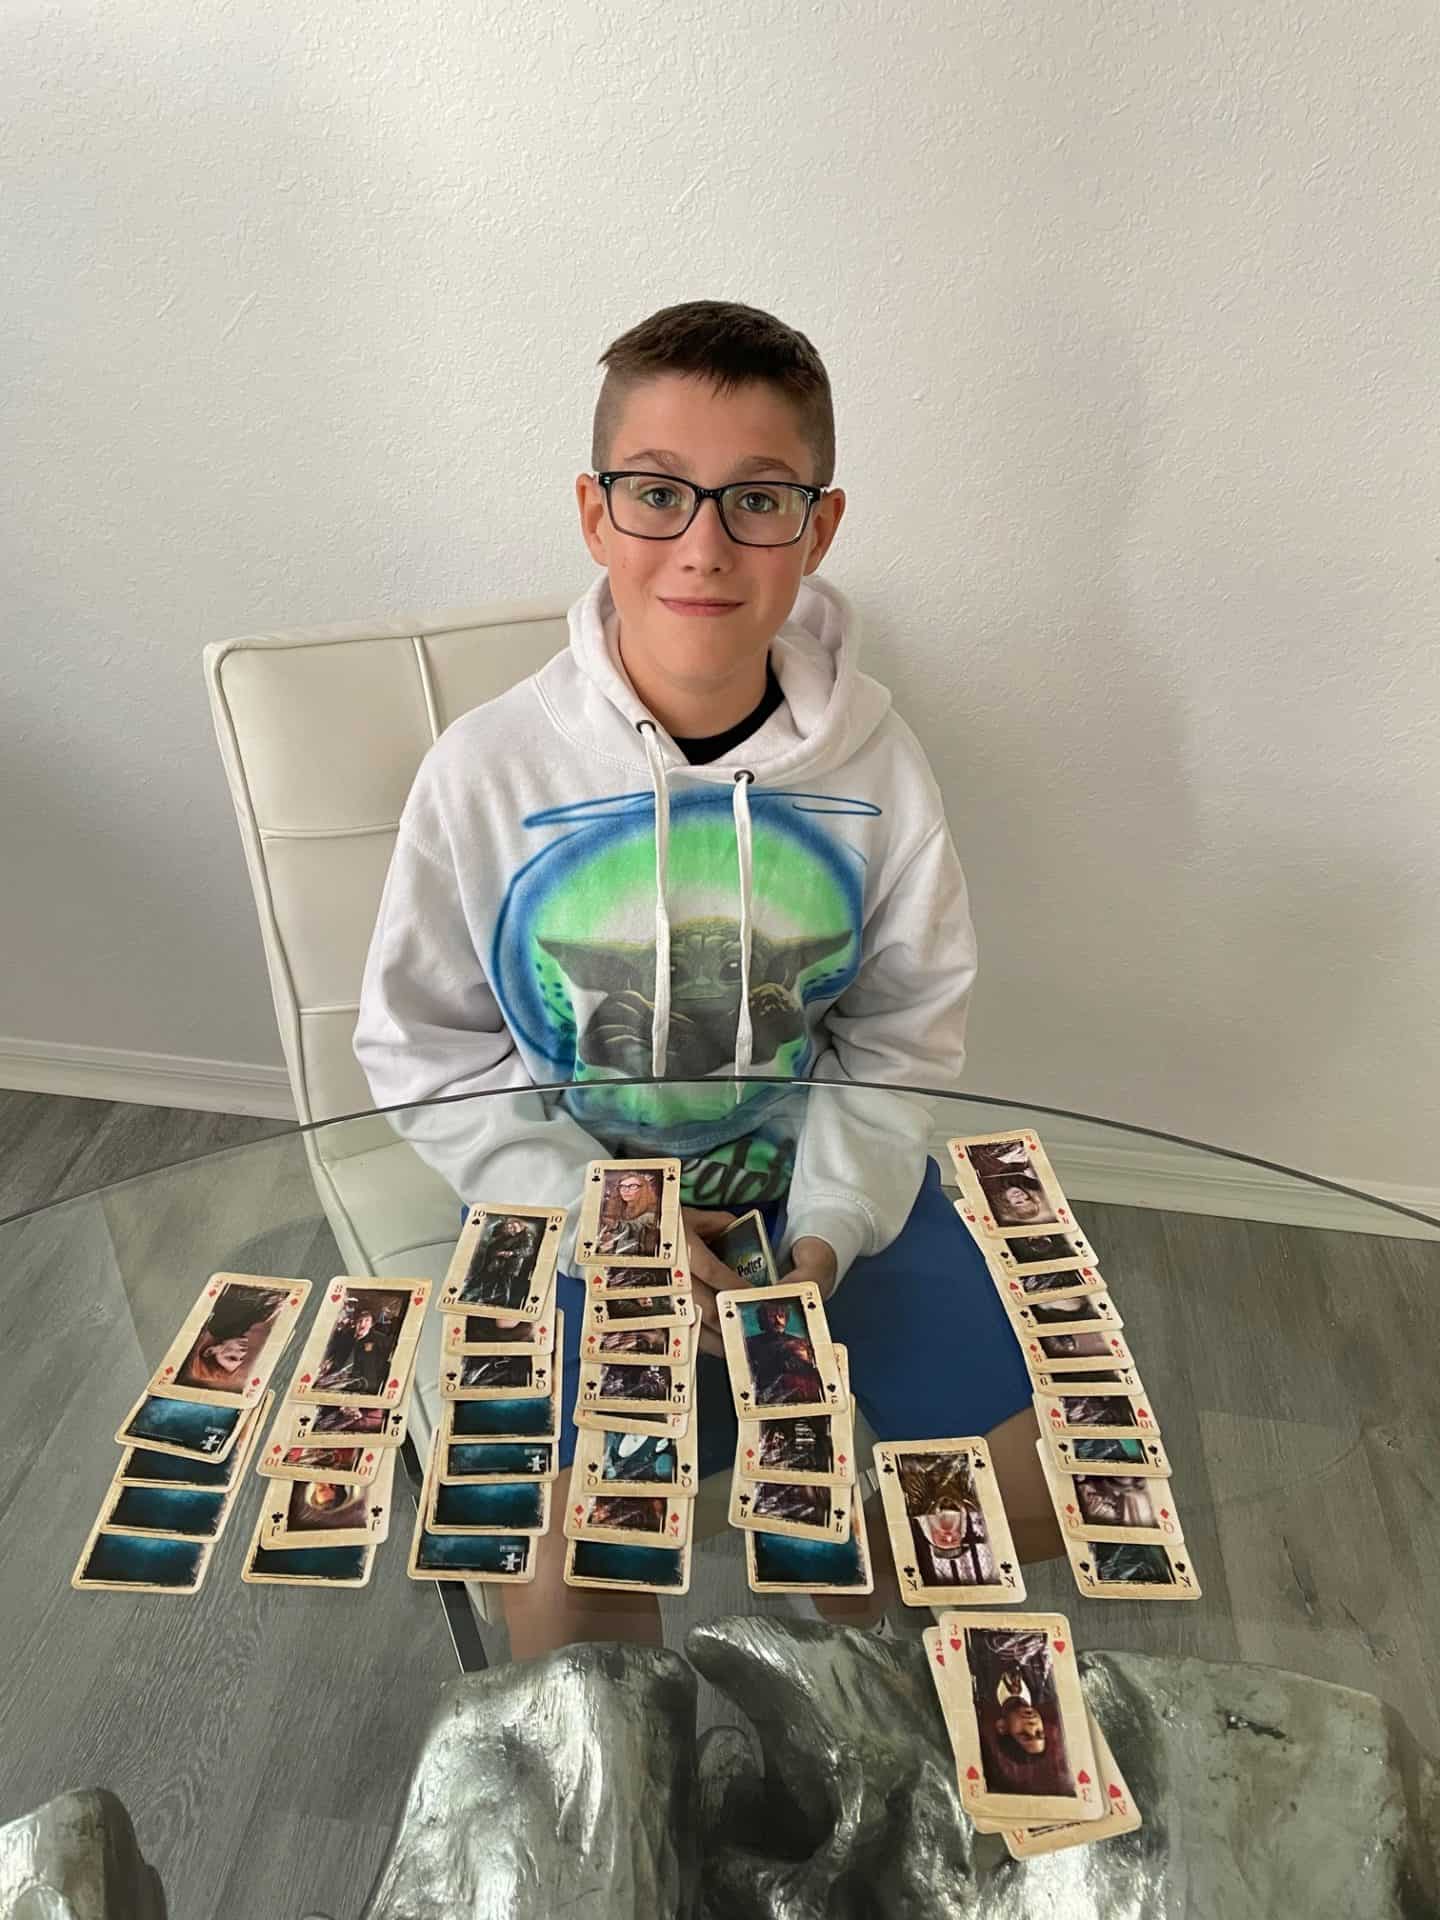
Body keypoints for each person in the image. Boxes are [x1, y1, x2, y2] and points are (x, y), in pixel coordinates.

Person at [353, 298, 1062, 1659]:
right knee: (566, 1575)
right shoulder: (484, 772)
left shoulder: (878, 769)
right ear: (594, 511)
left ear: (821, 526)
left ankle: (852, 1685)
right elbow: (427, 1050)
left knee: (1010, 1489)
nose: (703, 545)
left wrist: (826, 1230)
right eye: (658, 494)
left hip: (816, 1199)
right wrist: (599, 1221)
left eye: (758, 501)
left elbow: (898, 1038)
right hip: (574, 1210)